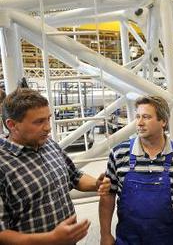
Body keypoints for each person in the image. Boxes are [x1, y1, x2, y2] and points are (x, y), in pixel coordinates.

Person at [0, 88, 111, 244]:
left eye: (48, 119)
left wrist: (96, 184)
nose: (48, 127)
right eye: (39, 122)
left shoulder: (49, 145)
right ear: (12, 125)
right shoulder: (3, 165)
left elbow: (74, 176)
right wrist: (51, 239)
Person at [100, 95, 173, 245]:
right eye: (138, 117)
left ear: (163, 121)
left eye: (146, 117)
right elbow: (108, 197)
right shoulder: (119, 154)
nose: (139, 123)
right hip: (128, 240)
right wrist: (105, 234)